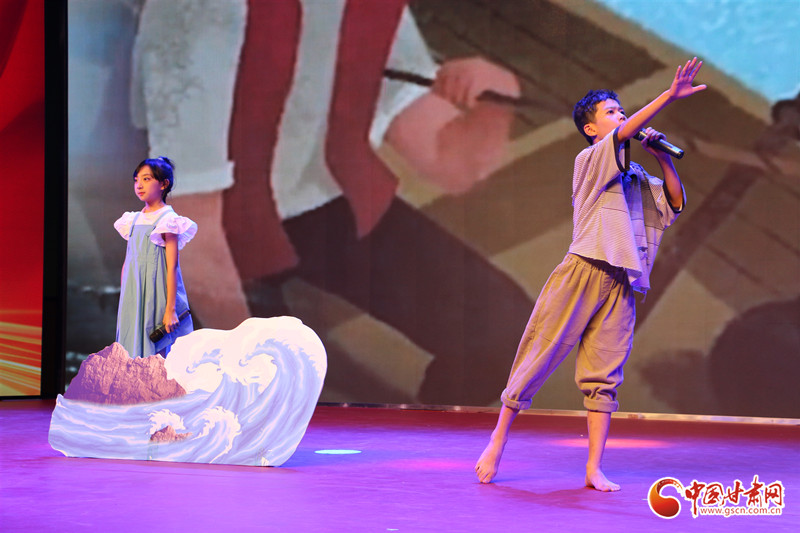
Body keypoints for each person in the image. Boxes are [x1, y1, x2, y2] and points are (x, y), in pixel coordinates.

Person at [475, 58, 707, 491]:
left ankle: (594, 467)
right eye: (611, 112)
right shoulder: (591, 159)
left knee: (604, 376)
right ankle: (498, 438)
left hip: (622, 282)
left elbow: (674, 205)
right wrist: (668, 96)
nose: (620, 116)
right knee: (538, 355)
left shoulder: (635, 175)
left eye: (621, 110)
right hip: (583, 270)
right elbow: (622, 135)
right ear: (591, 129)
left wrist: (663, 158)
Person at [114, 157, 197, 358]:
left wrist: (170, 309)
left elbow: (172, 267)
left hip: (157, 293)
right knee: (129, 349)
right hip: (133, 294)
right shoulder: (132, 220)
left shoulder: (168, 220)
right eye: (136, 180)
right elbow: (128, 261)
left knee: (155, 352)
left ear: (163, 184)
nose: (139, 185)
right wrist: (125, 297)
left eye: (146, 179)